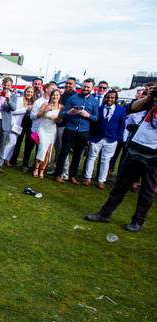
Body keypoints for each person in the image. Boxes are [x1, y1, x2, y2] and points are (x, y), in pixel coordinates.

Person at [84, 84, 156, 232]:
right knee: (120, 185)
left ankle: (138, 221)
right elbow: (132, 108)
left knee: (147, 190)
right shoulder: (151, 102)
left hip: (153, 154)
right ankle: (105, 213)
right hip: (136, 147)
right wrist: (150, 97)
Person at [53, 78, 99, 184]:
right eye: (84, 86)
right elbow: (62, 114)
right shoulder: (73, 98)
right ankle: (58, 174)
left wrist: (87, 115)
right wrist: (69, 112)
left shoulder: (94, 101)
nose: (85, 88)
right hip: (70, 129)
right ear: (81, 86)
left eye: (88, 87)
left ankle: (72, 176)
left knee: (78, 155)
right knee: (63, 152)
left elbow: (96, 118)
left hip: (84, 131)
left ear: (92, 88)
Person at [83, 91, 126, 189]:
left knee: (106, 160)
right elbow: (93, 124)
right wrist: (90, 137)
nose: (109, 99)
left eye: (112, 98)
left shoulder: (121, 110)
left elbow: (122, 125)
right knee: (91, 157)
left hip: (111, 139)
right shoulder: (99, 109)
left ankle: (101, 180)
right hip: (97, 137)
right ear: (105, 98)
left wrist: (118, 138)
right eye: (108, 97)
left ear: (115, 99)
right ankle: (87, 178)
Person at [27, 82, 56, 172]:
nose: (54, 90)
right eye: (52, 88)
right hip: (36, 129)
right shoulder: (38, 102)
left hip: (48, 130)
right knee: (29, 149)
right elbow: (32, 116)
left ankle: (37, 167)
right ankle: (25, 164)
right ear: (46, 89)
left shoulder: (55, 103)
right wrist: (42, 112)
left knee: (41, 150)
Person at [34, 89, 62, 178]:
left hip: (52, 130)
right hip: (42, 129)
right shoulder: (46, 104)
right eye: (54, 95)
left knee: (47, 152)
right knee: (42, 148)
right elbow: (38, 115)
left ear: (59, 96)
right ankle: (36, 168)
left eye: (57, 95)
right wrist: (44, 110)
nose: (55, 97)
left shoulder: (61, 107)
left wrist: (56, 118)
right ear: (51, 96)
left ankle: (42, 170)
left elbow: (61, 121)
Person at [3, 86, 34, 166]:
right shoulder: (20, 99)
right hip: (13, 123)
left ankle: (7, 160)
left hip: (19, 126)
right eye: (28, 91)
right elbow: (13, 111)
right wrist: (25, 109)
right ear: (25, 92)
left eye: (31, 92)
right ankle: (2, 158)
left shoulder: (29, 102)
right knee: (12, 142)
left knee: (14, 143)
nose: (29, 93)